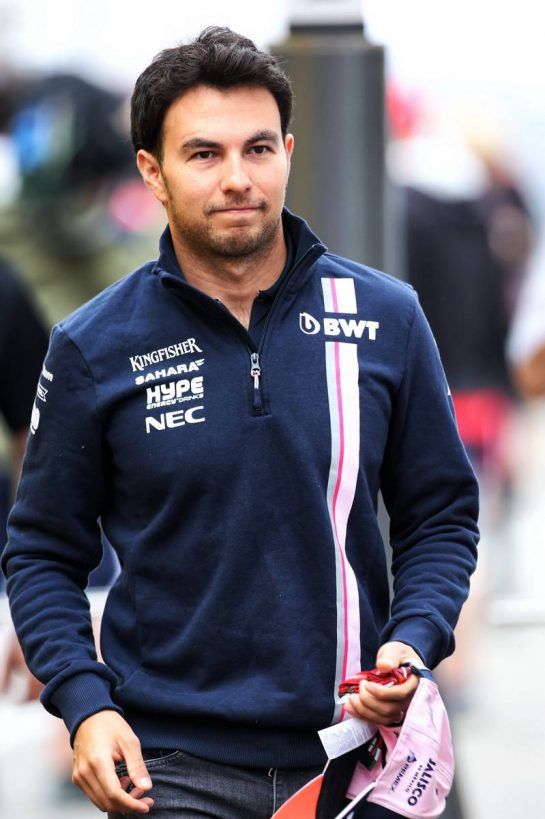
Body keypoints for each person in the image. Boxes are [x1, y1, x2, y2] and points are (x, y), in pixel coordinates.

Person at [1, 27, 479, 819]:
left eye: (258, 149)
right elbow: (44, 548)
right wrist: (87, 706)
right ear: (151, 171)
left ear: (287, 151)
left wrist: (412, 641)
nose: (237, 178)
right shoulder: (93, 345)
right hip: (171, 772)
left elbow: (440, 514)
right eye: (203, 154)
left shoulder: (384, 317)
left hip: (352, 759)